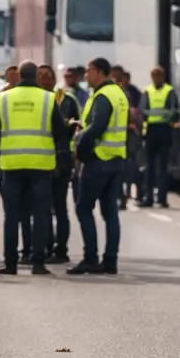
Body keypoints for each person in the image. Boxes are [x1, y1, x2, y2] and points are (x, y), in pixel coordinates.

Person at [0, 60, 56, 275]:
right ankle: (38, 263)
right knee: (40, 215)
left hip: (11, 164)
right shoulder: (48, 98)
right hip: (41, 165)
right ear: (36, 76)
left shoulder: (3, 98)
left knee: (12, 216)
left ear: (19, 75)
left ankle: (10, 264)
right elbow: (61, 131)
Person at [68, 57, 129, 276]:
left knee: (83, 208)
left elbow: (98, 126)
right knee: (110, 212)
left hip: (99, 159)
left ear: (98, 72)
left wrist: (80, 142)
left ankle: (91, 258)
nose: (85, 76)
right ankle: (110, 260)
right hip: (116, 159)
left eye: (87, 71)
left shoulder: (103, 95)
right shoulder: (119, 93)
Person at [36, 64, 79, 263]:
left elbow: (75, 129)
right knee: (42, 207)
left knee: (60, 206)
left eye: (48, 76)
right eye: (41, 76)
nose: (45, 80)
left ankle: (61, 250)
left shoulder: (68, 100)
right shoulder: (34, 99)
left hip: (61, 158)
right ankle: (43, 246)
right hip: (39, 158)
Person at [139, 65, 179, 207]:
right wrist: (159, 114)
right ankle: (148, 197)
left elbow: (173, 111)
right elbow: (142, 110)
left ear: (163, 77)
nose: (156, 78)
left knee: (163, 167)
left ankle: (162, 198)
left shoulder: (169, 91)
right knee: (149, 166)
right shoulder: (147, 91)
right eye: (154, 76)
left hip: (164, 130)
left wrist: (156, 114)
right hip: (151, 130)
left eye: (159, 75)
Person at [112, 66, 144, 209]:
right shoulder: (119, 93)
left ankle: (130, 193)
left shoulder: (129, 93)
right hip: (119, 136)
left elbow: (134, 113)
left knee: (130, 165)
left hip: (129, 135)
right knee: (122, 166)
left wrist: (133, 124)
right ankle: (121, 195)